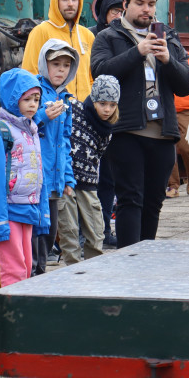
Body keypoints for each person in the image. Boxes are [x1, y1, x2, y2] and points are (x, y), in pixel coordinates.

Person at [92, 0, 189, 248]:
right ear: (125, 5)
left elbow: (187, 84)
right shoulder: (108, 36)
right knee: (130, 198)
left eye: (151, 4)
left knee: (154, 200)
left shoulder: (168, 36)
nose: (146, 9)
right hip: (126, 130)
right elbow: (100, 72)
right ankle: (130, 260)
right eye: (140, 3)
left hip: (163, 132)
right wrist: (137, 52)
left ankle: (147, 257)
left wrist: (168, 61)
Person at [0, 67, 46, 287]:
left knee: (25, 268)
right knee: (14, 270)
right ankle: (10, 317)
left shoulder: (31, 131)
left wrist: (42, 214)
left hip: (27, 208)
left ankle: (20, 314)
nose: (33, 104)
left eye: (36, 99)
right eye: (27, 99)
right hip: (9, 211)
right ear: (13, 98)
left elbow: (40, 174)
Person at [58, 75, 120, 264]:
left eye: (112, 104)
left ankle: (94, 274)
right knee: (69, 233)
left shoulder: (107, 129)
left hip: (89, 184)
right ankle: (72, 274)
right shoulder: (74, 110)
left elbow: (98, 157)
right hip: (66, 181)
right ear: (93, 99)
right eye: (102, 103)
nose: (107, 109)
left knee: (96, 231)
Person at [32, 39, 78, 273]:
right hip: (35, 176)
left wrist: (68, 179)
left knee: (50, 232)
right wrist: (43, 115)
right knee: (36, 231)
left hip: (55, 179)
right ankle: (34, 273)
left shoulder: (66, 99)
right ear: (44, 63)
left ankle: (39, 271)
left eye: (66, 65)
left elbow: (65, 143)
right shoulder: (35, 91)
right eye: (56, 63)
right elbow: (22, 123)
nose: (61, 69)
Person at [22, 0, 95, 99]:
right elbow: (30, 74)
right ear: (55, 1)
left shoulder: (87, 35)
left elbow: (92, 78)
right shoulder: (41, 31)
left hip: (84, 111)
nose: (70, 4)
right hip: (55, 110)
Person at [89, 0, 123, 244]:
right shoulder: (94, 35)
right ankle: (94, 231)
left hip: (117, 112)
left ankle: (107, 229)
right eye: (114, 11)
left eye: (122, 11)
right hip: (95, 112)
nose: (118, 16)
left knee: (111, 177)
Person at [166, 53, 189, 198]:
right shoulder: (159, 57)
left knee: (187, 148)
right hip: (167, 108)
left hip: (186, 110)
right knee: (168, 149)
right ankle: (172, 186)